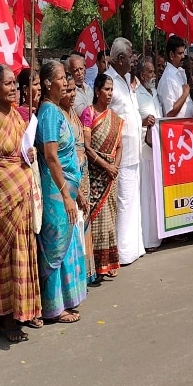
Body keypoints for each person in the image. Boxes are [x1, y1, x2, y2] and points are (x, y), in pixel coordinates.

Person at [0, 64, 40, 343]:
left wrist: (29, 154)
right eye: (8, 84)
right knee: (5, 257)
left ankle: (22, 311)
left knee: (24, 252)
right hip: (2, 194)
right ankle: (5, 318)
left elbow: (20, 150)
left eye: (15, 83)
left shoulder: (17, 114)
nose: (14, 88)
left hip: (22, 191)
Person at [35, 61, 89, 322]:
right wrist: (66, 195)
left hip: (67, 188)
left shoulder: (57, 111)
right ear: (47, 84)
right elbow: (51, 156)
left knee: (66, 246)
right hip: (55, 192)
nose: (65, 81)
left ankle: (65, 300)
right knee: (55, 246)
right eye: (59, 77)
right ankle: (52, 307)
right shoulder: (49, 114)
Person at [105, 38, 145, 265]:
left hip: (134, 152)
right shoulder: (110, 81)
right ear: (121, 59)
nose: (133, 60)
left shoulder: (126, 81)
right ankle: (122, 251)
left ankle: (133, 247)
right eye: (131, 57)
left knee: (133, 201)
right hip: (121, 154)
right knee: (124, 201)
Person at [81, 74, 123, 281]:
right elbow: (87, 148)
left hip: (110, 175)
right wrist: (106, 166)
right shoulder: (88, 114)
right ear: (97, 91)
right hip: (96, 174)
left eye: (111, 89)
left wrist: (114, 166)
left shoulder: (114, 118)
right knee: (97, 220)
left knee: (110, 220)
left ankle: (110, 261)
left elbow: (119, 146)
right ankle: (96, 266)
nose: (109, 93)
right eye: (106, 89)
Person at [60, 72, 96, 283]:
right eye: (68, 90)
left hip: (83, 172)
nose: (72, 94)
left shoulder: (73, 112)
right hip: (70, 178)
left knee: (85, 219)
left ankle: (85, 273)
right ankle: (74, 277)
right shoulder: (60, 116)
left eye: (74, 90)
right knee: (74, 223)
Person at [135, 57, 162, 251]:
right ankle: (147, 239)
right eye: (151, 72)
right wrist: (144, 121)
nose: (154, 75)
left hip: (158, 150)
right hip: (144, 150)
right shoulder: (136, 94)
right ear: (142, 74)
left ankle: (158, 235)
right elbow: (134, 119)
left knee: (156, 194)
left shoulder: (154, 93)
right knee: (146, 196)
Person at [158, 35, 193, 118]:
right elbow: (170, 112)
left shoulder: (178, 72)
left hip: (186, 126)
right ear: (171, 55)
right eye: (180, 53)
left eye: (183, 52)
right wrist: (185, 93)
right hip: (176, 128)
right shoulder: (168, 78)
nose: (183, 56)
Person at [67, 54, 94, 118]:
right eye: (76, 70)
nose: (79, 73)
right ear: (69, 72)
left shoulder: (88, 88)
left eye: (81, 69)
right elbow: (82, 113)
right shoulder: (70, 93)